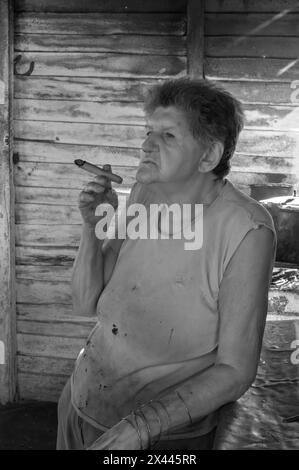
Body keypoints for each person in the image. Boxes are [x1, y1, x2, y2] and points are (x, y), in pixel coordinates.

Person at [56, 78, 277, 450]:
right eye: (148, 131)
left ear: (208, 156)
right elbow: (84, 304)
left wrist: (141, 428)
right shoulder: (146, 192)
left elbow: (236, 371)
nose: (146, 144)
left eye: (168, 136)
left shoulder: (247, 229)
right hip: (83, 401)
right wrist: (90, 227)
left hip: (163, 436)